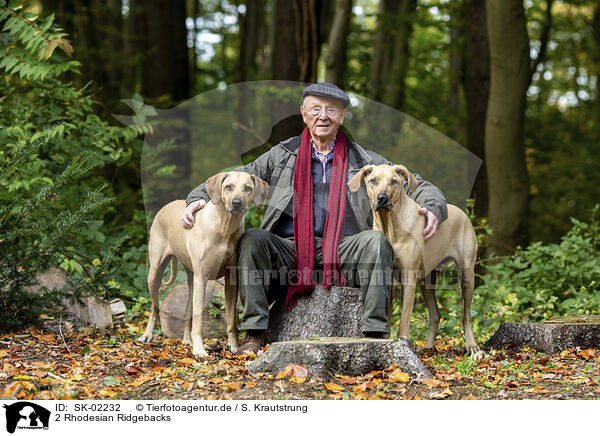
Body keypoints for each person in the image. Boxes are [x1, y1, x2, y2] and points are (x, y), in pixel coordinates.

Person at [181, 83, 448, 354]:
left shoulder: (362, 157)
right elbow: (238, 174)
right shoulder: (284, 153)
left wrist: (433, 208)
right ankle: (255, 333)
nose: (323, 116)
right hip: (290, 247)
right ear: (304, 114)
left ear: (342, 116)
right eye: (316, 109)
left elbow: (419, 184)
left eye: (331, 110)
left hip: (345, 247)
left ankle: (374, 336)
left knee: (377, 241)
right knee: (252, 239)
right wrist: (197, 198)